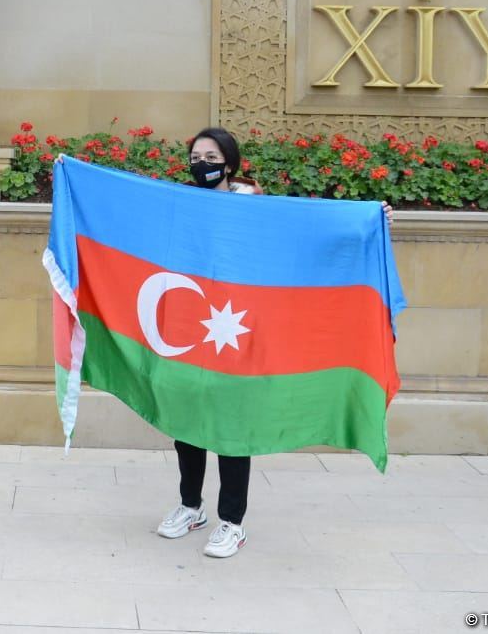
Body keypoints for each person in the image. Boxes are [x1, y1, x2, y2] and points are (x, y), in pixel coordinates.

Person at [156, 127, 392, 558]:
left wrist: (370, 223)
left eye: (211, 156)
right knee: (185, 420)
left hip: (241, 332)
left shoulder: (259, 209)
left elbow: (308, 234)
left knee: (232, 426)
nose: (201, 163)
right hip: (194, 330)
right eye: (195, 155)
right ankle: (191, 507)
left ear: (229, 163)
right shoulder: (183, 205)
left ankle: (231, 522)